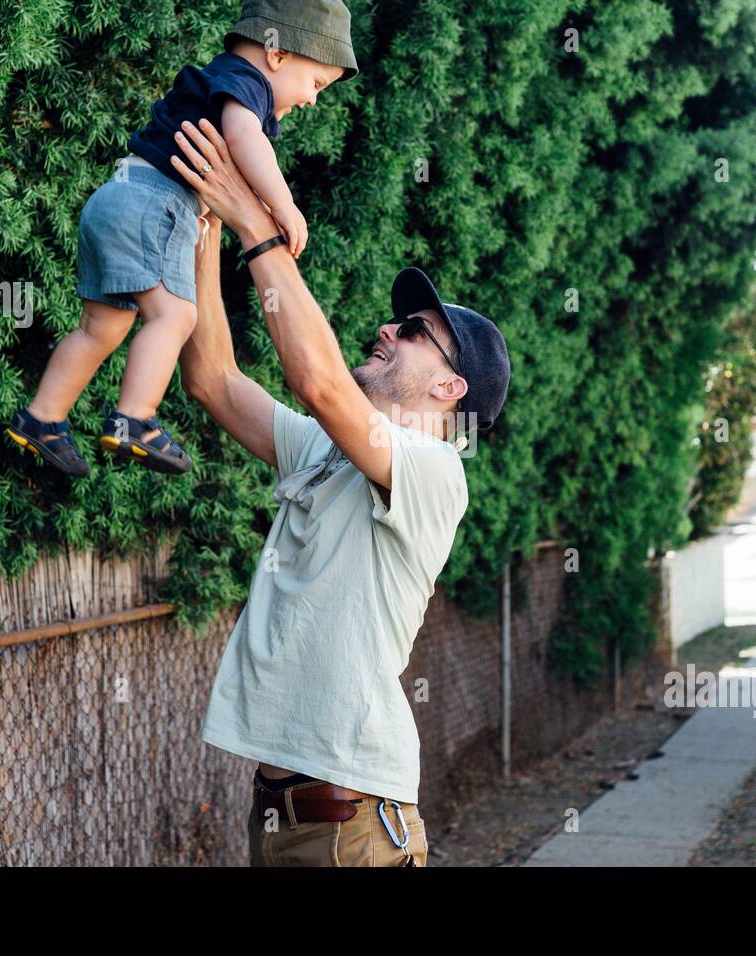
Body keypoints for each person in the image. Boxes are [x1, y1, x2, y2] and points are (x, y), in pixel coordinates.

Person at [172, 118, 510, 865]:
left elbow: (320, 382)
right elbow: (214, 382)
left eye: (415, 332)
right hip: (280, 819)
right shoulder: (328, 450)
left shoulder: (433, 470)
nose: (389, 328)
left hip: (354, 827)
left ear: (450, 387)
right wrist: (202, 219)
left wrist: (254, 224)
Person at [6, 0, 357, 477]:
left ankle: (43, 417)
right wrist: (283, 204)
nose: (313, 99)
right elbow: (243, 136)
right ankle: (135, 419)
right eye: (316, 84)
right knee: (176, 314)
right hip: (155, 203)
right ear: (279, 54)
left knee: (101, 328)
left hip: (114, 198)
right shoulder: (247, 85)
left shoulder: (217, 78)